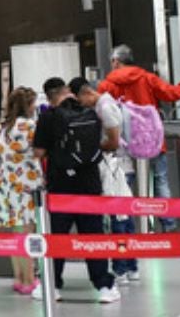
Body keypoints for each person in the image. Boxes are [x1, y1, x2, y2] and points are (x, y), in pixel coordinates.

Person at [97, 44, 180, 230]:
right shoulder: (147, 78)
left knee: (123, 181)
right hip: (151, 139)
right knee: (161, 180)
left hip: (122, 141)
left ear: (115, 61)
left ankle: (124, 225)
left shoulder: (106, 85)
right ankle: (168, 225)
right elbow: (173, 93)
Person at [32, 82, 120, 303]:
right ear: (67, 92)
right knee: (93, 235)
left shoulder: (48, 117)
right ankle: (104, 286)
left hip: (61, 185)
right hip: (89, 183)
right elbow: (104, 142)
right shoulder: (89, 112)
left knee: (57, 236)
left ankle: (52, 285)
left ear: (50, 97)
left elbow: (39, 151)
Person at [72, 77, 138, 283]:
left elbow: (113, 142)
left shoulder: (105, 106)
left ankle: (121, 268)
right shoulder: (108, 103)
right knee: (123, 217)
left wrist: (92, 147)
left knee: (118, 218)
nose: (81, 105)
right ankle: (130, 266)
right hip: (118, 166)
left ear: (86, 93)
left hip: (115, 167)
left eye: (80, 101)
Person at [0, 87, 42, 295]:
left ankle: (19, 278)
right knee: (28, 232)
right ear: (27, 105)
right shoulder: (30, 126)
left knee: (16, 233)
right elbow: (40, 150)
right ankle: (31, 279)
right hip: (26, 183)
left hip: (6, 182)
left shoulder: (2, 128)